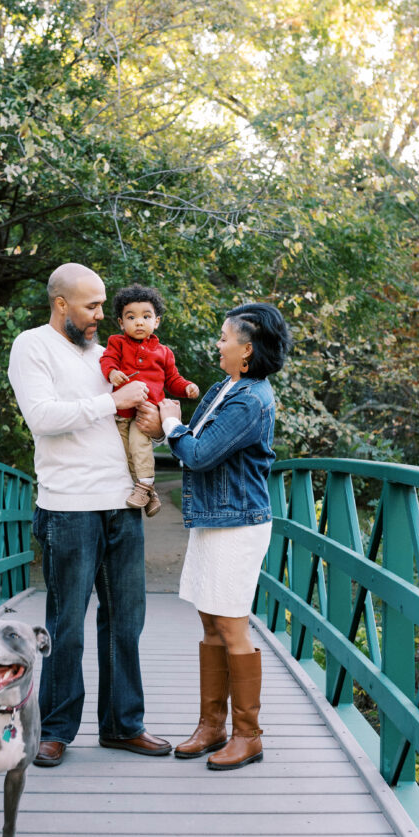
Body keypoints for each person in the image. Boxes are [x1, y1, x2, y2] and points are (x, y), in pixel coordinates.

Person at [7, 262, 172, 767]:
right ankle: (56, 730)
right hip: (68, 508)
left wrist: (158, 421)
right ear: (61, 304)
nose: (103, 315)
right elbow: (43, 417)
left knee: (126, 622)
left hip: (121, 505)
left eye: (104, 305)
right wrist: (113, 401)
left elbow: (144, 415)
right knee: (67, 624)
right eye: (92, 306)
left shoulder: (107, 356)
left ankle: (123, 726)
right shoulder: (32, 347)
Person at [158, 303, 291, 770]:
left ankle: (248, 734)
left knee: (233, 626)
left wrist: (171, 423)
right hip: (214, 521)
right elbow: (191, 441)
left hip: (238, 525)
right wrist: (175, 429)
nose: (217, 344)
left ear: (247, 349)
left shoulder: (251, 400)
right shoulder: (224, 387)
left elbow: (196, 453)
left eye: (223, 337)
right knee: (211, 623)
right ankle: (211, 726)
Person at [99, 283, 199, 518]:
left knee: (139, 445)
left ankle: (144, 484)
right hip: (122, 413)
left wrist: (187, 388)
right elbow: (107, 360)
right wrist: (112, 372)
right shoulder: (117, 342)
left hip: (145, 411)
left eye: (146, 316)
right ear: (121, 323)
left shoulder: (164, 352)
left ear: (157, 321)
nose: (139, 322)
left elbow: (172, 379)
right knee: (125, 454)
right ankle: (150, 494)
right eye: (131, 317)